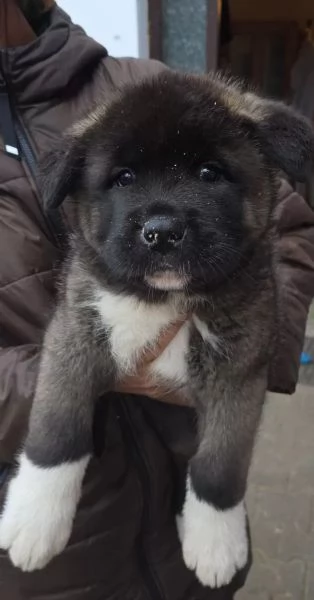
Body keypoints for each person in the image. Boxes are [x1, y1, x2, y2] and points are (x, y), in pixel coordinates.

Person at [0, 2, 313, 599]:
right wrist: (49, 463)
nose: (162, 223)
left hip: (183, 507)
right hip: (70, 562)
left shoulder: (139, 87)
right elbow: (75, 343)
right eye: (122, 180)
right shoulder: (86, 147)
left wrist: (254, 347)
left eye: (207, 173)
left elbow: (297, 232)